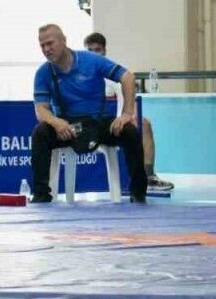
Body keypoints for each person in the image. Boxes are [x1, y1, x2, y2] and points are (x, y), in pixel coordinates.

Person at [29, 24, 148, 203]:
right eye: (42, 45)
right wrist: (56, 122)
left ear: (64, 41)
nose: (46, 49)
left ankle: (138, 193)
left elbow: (128, 77)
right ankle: (41, 194)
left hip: (98, 123)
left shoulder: (91, 60)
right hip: (67, 126)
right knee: (40, 133)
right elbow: (41, 109)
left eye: (50, 43)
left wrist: (126, 113)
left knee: (130, 131)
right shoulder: (43, 73)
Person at [84, 32, 175, 192]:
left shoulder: (115, 73)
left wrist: (128, 117)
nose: (94, 54)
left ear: (104, 51)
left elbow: (126, 98)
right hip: (88, 124)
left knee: (144, 124)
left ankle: (148, 176)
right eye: (90, 50)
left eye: (97, 50)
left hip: (114, 123)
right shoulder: (79, 75)